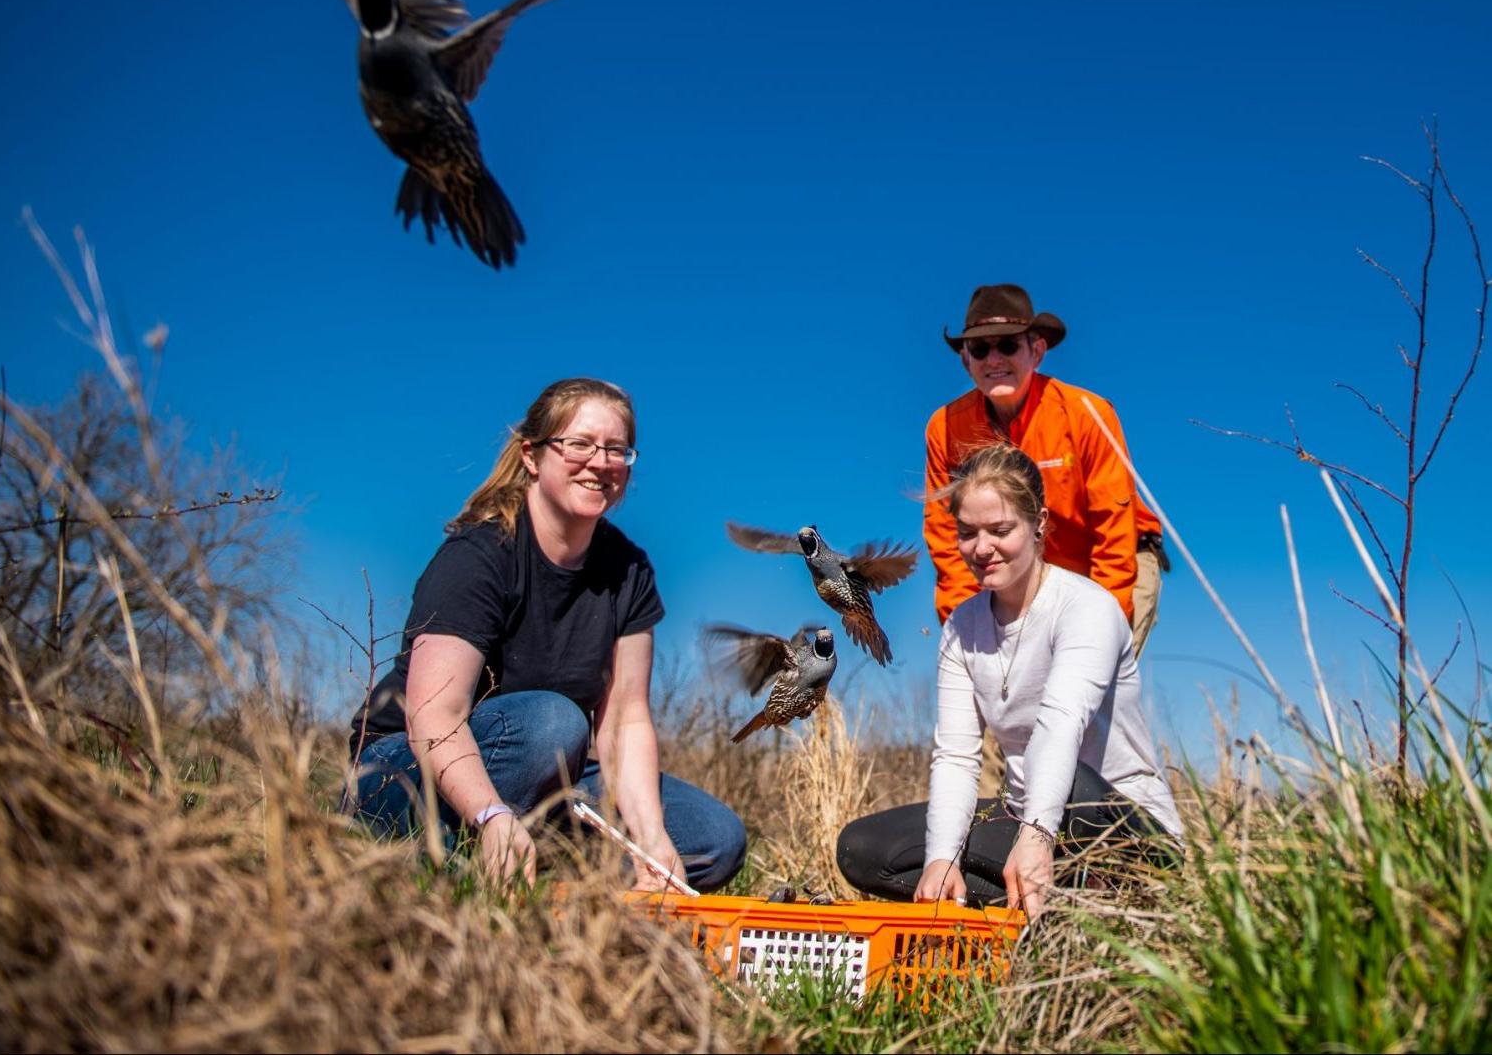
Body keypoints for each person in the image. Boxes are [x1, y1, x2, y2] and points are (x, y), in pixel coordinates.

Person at [345, 377, 746, 892]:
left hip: (550, 774)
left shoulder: (630, 571)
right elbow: (433, 716)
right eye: (578, 444)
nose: (599, 462)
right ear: (532, 456)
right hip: (405, 767)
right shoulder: (480, 555)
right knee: (554, 724)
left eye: (616, 449)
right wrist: (490, 814)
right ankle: (443, 849)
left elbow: (624, 719)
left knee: (711, 838)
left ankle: (539, 877)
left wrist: (650, 835)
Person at [838, 444, 1180, 918]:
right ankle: (1042, 906)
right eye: (967, 533)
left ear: (1038, 522)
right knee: (866, 847)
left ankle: (1110, 896)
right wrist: (942, 857)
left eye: (1000, 530)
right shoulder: (961, 627)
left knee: (1077, 786)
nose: (982, 549)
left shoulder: (1086, 608)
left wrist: (1038, 837)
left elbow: (1060, 725)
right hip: (1025, 817)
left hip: (1111, 817)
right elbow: (957, 755)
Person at [926, 284, 1168, 652]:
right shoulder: (945, 428)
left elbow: (1113, 534)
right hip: (1023, 574)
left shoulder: (1087, 414)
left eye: (1008, 345)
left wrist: (1097, 633)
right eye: (979, 348)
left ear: (1036, 351)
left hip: (1109, 564)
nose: (994, 359)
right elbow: (948, 539)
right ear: (965, 359)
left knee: (1088, 688)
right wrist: (968, 629)